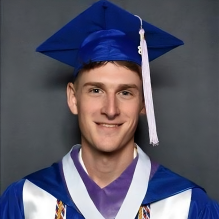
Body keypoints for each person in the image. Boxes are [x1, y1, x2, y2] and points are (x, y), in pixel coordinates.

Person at [1, 0, 219, 218]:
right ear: (73, 98)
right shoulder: (26, 200)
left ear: (144, 102)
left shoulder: (187, 206)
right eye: (96, 90)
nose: (111, 109)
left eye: (125, 92)